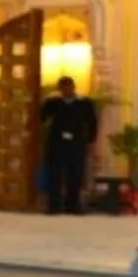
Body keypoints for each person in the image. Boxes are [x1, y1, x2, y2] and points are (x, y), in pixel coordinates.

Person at [40, 75, 98, 215]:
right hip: (57, 142)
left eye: (70, 86)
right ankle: (54, 206)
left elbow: (92, 122)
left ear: (74, 87)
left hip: (76, 142)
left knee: (76, 174)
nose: (68, 90)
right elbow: (42, 118)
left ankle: (73, 205)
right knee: (56, 174)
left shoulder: (84, 103)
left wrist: (90, 139)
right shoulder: (53, 103)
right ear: (60, 89)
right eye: (64, 87)